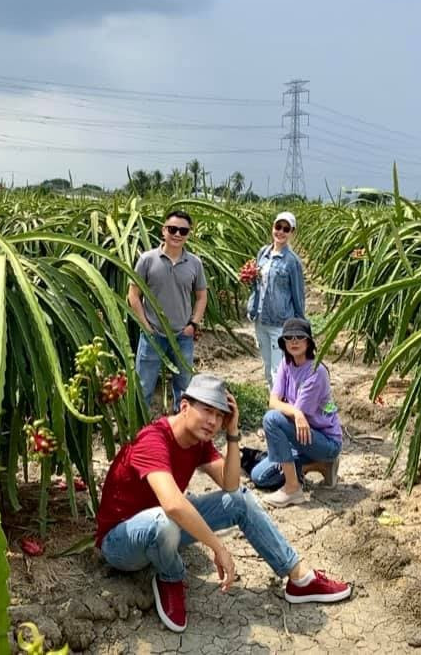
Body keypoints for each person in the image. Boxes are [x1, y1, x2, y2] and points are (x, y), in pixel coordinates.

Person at [95, 373, 352, 633]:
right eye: (207, 411)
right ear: (184, 406)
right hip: (121, 543)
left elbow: (230, 486)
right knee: (164, 522)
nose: (213, 421)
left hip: (164, 530)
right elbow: (173, 504)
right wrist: (219, 548)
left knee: (238, 500)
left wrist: (232, 433)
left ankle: (299, 578)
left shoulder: (199, 442)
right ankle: (171, 576)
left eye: (219, 416)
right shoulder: (153, 439)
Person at [251, 318, 343, 508]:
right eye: (289, 337)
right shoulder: (287, 363)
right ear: (283, 342)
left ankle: (293, 488)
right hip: (301, 436)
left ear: (308, 341)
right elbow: (273, 401)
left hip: (324, 441)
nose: (294, 341)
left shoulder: (316, 372)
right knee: (260, 476)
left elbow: (280, 412)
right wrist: (296, 413)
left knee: (272, 419)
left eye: (299, 337)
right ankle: (318, 465)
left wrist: (296, 413)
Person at [128, 210, 207, 412]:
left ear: (189, 233)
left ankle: (180, 428)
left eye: (183, 230)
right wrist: (146, 327)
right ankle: (138, 428)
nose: (177, 234)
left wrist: (193, 324)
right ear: (164, 230)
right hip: (153, 334)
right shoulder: (147, 260)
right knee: (143, 385)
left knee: (184, 386)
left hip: (183, 335)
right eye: (173, 229)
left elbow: (201, 296)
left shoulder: (195, 264)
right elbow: (133, 295)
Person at [247, 211, 305, 389]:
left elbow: (298, 294)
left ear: (292, 232)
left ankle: (282, 407)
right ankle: (276, 403)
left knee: (277, 369)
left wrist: (300, 325)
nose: (280, 232)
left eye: (286, 229)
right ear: (272, 227)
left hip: (281, 322)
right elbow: (258, 285)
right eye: (278, 227)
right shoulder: (262, 253)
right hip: (260, 318)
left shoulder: (292, 262)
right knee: (267, 367)